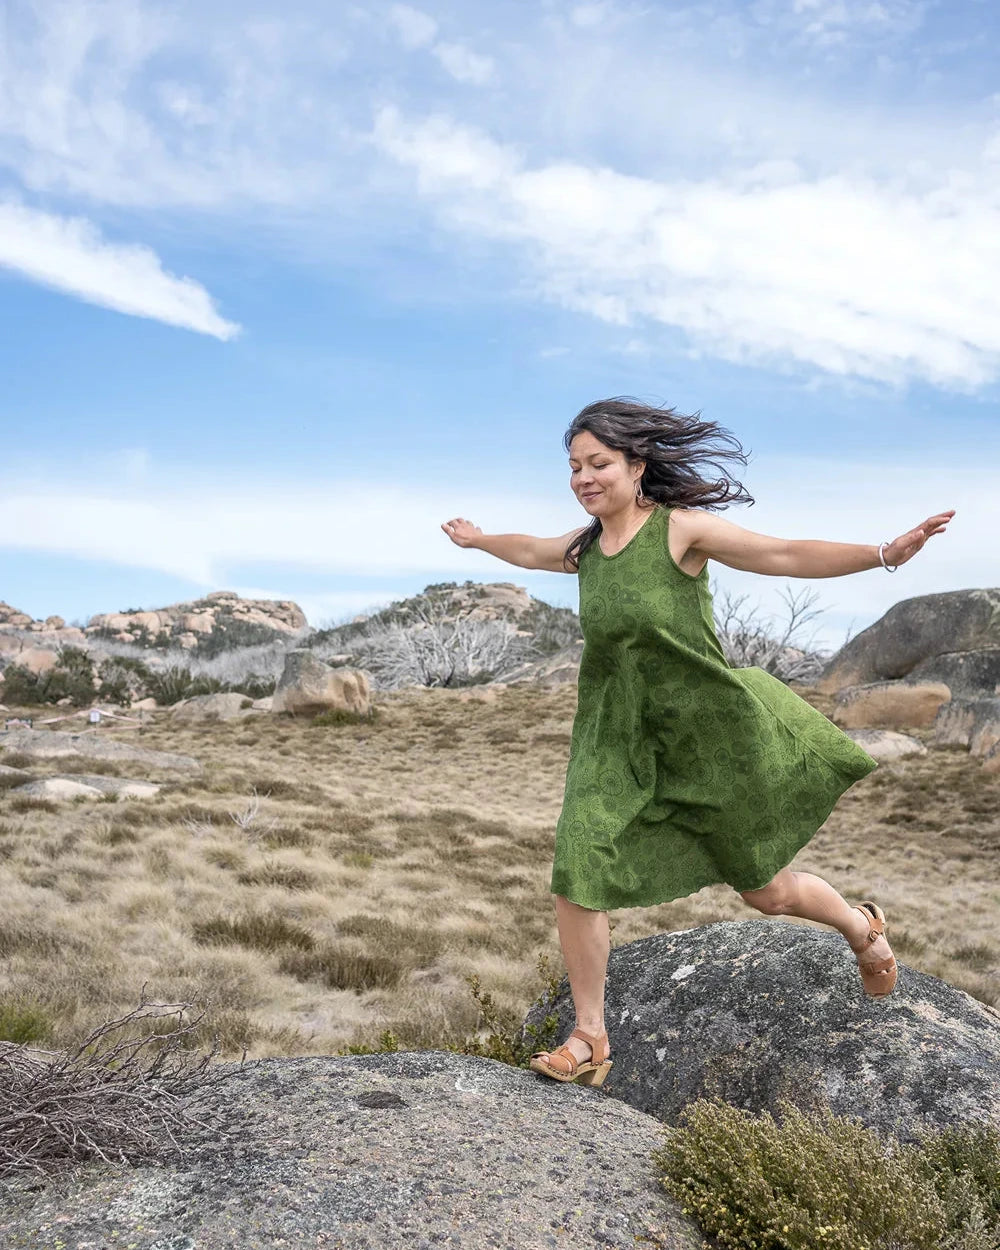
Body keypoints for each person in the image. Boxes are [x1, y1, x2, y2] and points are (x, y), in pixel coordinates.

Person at [441, 397, 955, 1088]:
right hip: (617, 737)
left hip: (707, 734)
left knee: (766, 891)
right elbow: (530, 550)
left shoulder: (679, 530)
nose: (583, 478)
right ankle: (590, 1035)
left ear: (636, 465)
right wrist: (477, 541)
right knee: (578, 866)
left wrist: (885, 553)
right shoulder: (585, 547)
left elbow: (780, 553)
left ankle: (861, 928)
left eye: (598, 464)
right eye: (573, 467)